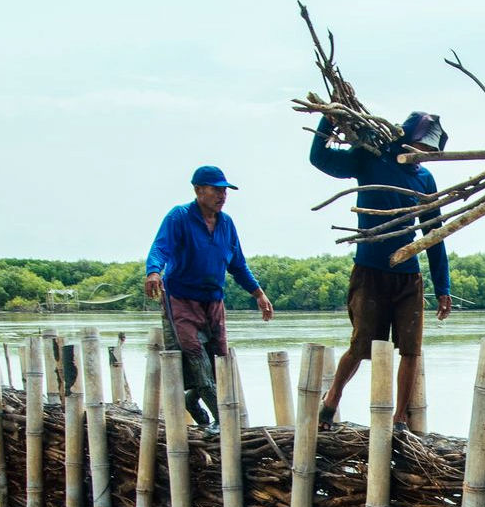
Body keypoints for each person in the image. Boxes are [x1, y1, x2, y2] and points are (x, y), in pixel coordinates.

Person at [308, 112, 454, 432]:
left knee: (411, 349)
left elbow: (434, 234)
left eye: (429, 151)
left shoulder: (425, 179)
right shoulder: (370, 159)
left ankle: (400, 416)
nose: (423, 154)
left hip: (408, 273)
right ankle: (332, 397)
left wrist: (443, 286)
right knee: (361, 346)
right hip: (370, 270)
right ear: (404, 139)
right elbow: (319, 158)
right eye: (420, 146)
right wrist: (328, 122)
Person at [143, 165, 276, 432]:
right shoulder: (179, 217)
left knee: (218, 358)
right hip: (181, 298)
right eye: (216, 189)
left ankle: (192, 400)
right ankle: (224, 422)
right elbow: (160, 247)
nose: (222, 195)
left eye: (224, 190)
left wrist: (259, 294)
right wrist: (154, 271)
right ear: (198, 190)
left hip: (213, 301)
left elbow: (238, 264)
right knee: (195, 356)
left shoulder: (226, 223)